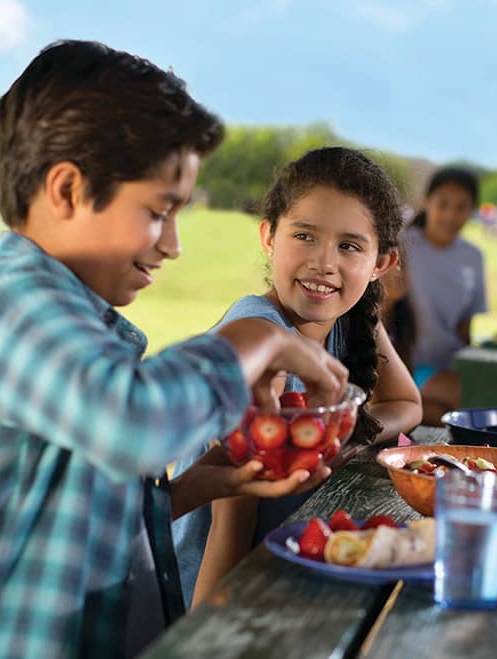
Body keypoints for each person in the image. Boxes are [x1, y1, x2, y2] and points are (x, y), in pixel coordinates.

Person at [0, 40, 348, 658]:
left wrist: (190, 489)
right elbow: (131, 423)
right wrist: (257, 336)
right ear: (66, 191)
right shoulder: (12, 302)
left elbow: (71, 516)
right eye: (159, 211)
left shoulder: (77, 320)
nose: (173, 245)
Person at [173, 147, 422, 607]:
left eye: (349, 246)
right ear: (269, 236)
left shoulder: (354, 316)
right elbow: (231, 525)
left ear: (381, 263)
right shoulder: (258, 340)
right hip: (214, 596)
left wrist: (347, 439)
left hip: (288, 567)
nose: (323, 263)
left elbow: (407, 404)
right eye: (305, 236)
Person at [401, 166, 487, 425]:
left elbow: (465, 326)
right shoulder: (403, 245)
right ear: (427, 202)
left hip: (452, 365)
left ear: (472, 210)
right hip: (409, 366)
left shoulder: (472, 257)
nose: (451, 214)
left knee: (449, 415)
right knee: (476, 404)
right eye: (443, 204)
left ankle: (412, 412)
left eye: (461, 207)